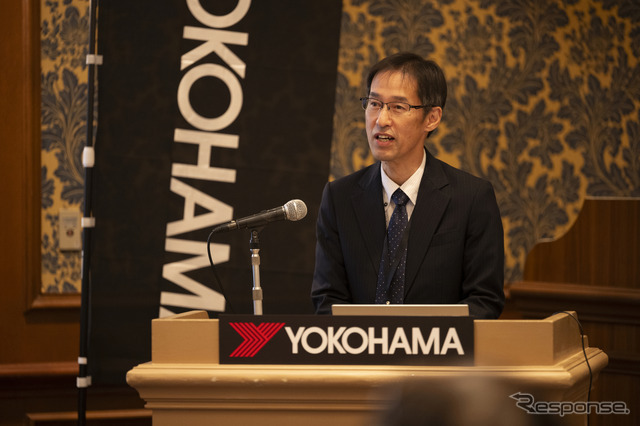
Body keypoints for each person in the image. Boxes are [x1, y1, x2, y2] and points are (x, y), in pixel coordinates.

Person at [311, 52, 504, 319]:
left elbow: (484, 301)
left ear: (432, 118)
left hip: (438, 345)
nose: (381, 120)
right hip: (360, 344)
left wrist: (417, 338)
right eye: (374, 103)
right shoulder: (339, 197)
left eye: (398, 107)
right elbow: (327, 300)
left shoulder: (471, 198)